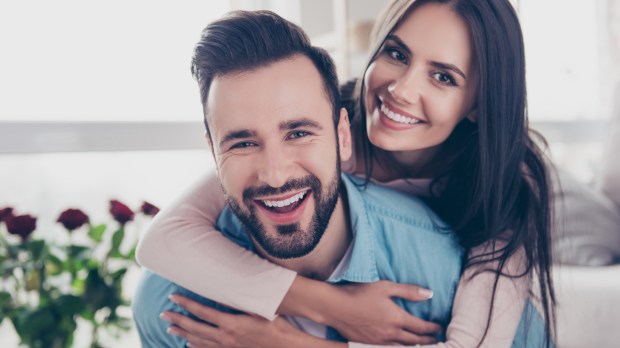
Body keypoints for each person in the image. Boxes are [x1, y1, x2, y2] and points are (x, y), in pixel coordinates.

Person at [136, 0, 556, 346]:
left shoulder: (508, 182)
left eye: (443, 77)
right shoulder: (319, 129)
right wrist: (327, 305)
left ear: (480, 103)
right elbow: (163, 240)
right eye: (396, 54)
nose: (402, 90)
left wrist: (290, 343)